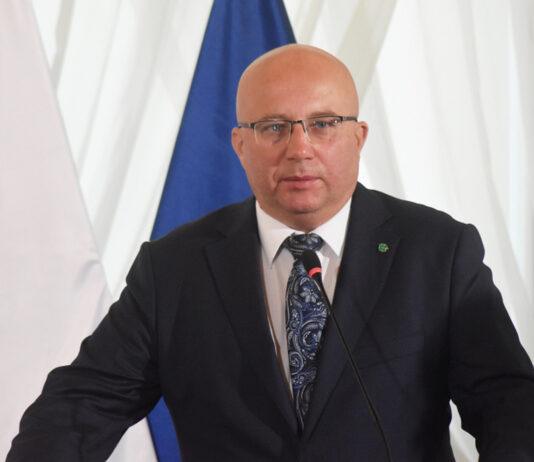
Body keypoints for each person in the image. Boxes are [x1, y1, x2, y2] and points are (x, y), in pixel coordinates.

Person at [8, 44, 534, 462]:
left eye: (323, 124)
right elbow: (82, 406)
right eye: (273, 127)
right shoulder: (174, 269)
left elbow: (508, 405)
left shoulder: (437, 251)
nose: (299, 148)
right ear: (241, 145)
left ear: (358, 137)